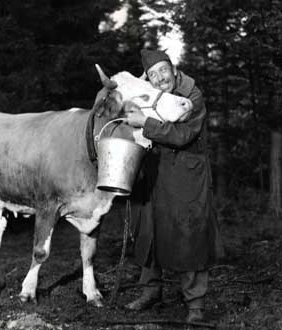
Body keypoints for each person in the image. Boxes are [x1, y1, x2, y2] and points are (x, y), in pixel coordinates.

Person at [124, 49, 224, 323]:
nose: (159, 79)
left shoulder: (192, 95)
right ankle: (150, 291)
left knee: (188, 234)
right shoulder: (148, 94)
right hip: (154, 172)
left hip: (186, 175)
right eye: (152, 75)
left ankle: (195, 303)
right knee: (148, 232)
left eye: (162, 70)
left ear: (173, 68)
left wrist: (145, 123)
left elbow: (182, 135)